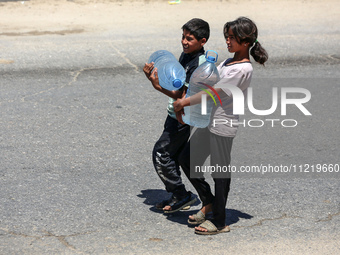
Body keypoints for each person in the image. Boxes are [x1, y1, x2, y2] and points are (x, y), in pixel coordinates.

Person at [174, 17, 268, 234]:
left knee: (220, 172)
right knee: (186, 160)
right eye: (227, 36)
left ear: (245, 42)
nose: (227, 41)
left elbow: (213, 93)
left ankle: (219, 221)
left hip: (224, 125)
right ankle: (209, 202)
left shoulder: (243, 69)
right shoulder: (227, 62)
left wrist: (184, 102)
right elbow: (205, 82)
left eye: (232, 38)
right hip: (209, 122)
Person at [143, 18, 210, 213]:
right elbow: (177, 84)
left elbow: (183, 96)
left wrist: (156, 86)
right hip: (176, 113)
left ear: (202, 41)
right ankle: (178, 194)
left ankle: (181, 195)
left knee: (161, 153)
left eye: (189, 39)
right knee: (171, 154)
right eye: (183, 37)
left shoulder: (200, 64)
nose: (184, 42)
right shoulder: (187, 55)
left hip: (182, 117)